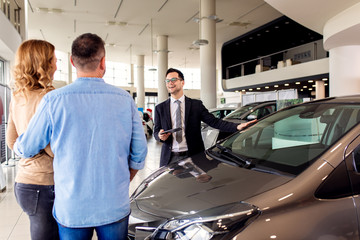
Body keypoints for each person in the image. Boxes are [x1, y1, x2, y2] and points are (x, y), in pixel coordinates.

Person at [13, 33, 148, 240]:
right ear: (103, 61)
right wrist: (121, 180)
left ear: (72, 62)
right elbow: (139, 152)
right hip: (113, 204)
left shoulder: (53, 100)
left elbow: (28, 147)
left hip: (72, 207)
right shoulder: (124, 100)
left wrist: (17, 146)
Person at [6, 40, 59, 240]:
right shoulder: (49, 97)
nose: (56, 64)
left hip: (24, 183)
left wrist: (30, 149)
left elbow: (12, 142)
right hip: (45, 183)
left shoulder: (17, 96)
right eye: (53, 59)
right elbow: (54, 148)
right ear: (43, 63)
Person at [154, 68, 256, 167]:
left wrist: (237, 127)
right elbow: (156, 131)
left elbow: (214, 122)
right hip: (170, 157)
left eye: (173, 80)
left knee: (196, 184)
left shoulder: (195, 105)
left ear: (182, 82)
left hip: (194, 156)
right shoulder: (160, 108)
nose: (170, 83)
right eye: (167, 81)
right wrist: (160, 136)